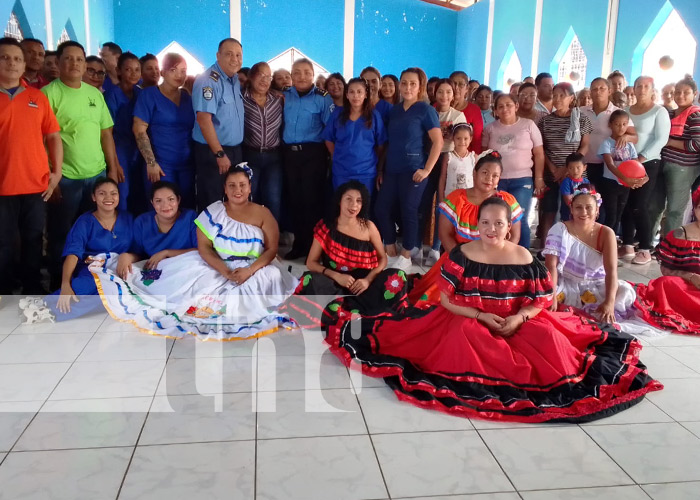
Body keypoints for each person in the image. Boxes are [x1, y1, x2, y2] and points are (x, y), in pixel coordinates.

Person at [325, 196, 661, 422]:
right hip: (467, 318)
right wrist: (480, 315)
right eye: (485, 222)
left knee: (546, 336)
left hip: (517, 321)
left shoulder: (525, 257)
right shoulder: (462, 254)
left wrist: (520, 316)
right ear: (477, 224)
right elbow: (446, 299)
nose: (491, 229)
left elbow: (541, 299)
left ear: (509, 226)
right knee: (464, 333)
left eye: (498, 223)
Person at [90, 164, 298, 340]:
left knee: (271, 276)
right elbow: (205, 248)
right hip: (219, 263)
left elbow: (271, 249)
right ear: (224, 188)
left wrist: (249, 270)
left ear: (249, 186)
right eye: (232, 185)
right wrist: (226, 272)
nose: (238, 190)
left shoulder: (263, 213)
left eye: (242, 185)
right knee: (194, 289)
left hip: (255, 265)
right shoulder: (214, 212)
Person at [42, 40, 121, 290]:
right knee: (62, 234)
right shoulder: (48, 94)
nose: (74, 63)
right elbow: (41, 140)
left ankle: (88, 281)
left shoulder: (94, 94)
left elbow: (106, 133)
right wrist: (51, 176)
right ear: (58, 62)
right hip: (65, 177)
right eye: (68, 58)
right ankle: (60, 283)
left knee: (93, 232)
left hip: (96, 175)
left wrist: (112, 168)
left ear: (85, 64)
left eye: (79, 59)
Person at [282, 181, 409, 328]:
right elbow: (311, 262)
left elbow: (382, 259)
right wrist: (337, 276)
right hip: (334, 284)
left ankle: (344, 310)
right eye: (348, 199)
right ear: (339, 202)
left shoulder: (369, 227)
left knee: (398, 276)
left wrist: (367, 280)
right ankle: (347, 310)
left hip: (364, 286)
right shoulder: (326, 226)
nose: (353, 205)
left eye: (358, 201)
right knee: (309, 279)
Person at [544, 185, 662, 336]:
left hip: (595, 283)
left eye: (589, 207)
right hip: (564, 282)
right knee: (547, 305)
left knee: (625, 292)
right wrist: (552, 295)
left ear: (597, 210)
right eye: (578, 207)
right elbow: (551, 267)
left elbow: (611, 271)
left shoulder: (606, 233)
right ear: (571, 210)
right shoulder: (559, 229)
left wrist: (609, 302)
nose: (584, 212)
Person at [408, 152, 522, 305]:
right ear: (474, 173)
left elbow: (514, 235)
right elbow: (445, 234)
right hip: (459, 260)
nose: (489, 178)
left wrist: (498, 260)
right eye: (485, 173)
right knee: (433, 304)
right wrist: (463, 262)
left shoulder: (507, 200)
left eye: (495, 175)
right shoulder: (457, 199)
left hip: (496, 263)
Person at [0, 37, 62, 295]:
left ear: (24, 64)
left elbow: (53, 136)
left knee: (34, 239)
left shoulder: (37, 97)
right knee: (3, 243)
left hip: (36, 183)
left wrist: (56, 173)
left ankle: (33, 287)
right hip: (3, 185)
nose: (11, 63)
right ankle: (3, 289)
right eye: (4, 57)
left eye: (16, 58)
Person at [375, 67, 443, 271]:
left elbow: (437, 142)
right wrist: (380, 169)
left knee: (409, 211)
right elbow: (387, 143)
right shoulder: (394, 110)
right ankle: (390, 247)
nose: (407, 87)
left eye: (413, 83)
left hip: (414, 170)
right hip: (392, 169)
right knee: (381, 208)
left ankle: (406, 254)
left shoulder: (425, 110)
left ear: (420, 86)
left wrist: (427, 170)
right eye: (404, 82)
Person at [42, 178, 134, 321]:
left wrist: (127, 256)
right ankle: (43, 308)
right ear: (93, 197)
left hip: (120, 269)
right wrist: (65, 284)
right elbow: (73, 253)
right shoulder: (85, 221)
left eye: (113, 193)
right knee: (82, 288)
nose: (109, 198)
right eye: (102, 193)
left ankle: (45, 310)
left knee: (119, 292)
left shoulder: (128, 219)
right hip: (91, 268)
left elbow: (140, 250)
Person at [281, 58, 333, 260]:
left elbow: (330, 130)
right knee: (294, 200)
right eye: (297, 72)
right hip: (289, 154)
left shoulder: (323, 98)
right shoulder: (284, 95)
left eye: (306, 72)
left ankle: (314, 247)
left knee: (312, 202)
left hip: (314, 153)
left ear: (313, 75)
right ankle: (299, 244)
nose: (301, 76)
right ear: (291, 75)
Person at [634, 178, 700, 334]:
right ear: (695, 209)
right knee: (666, 283)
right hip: (684, 286)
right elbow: (666, 269)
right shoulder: (679, 234)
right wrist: (691, 277)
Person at [133, 52, 196, 209]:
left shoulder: (187, 98)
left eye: (183, 71)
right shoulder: (149, 95)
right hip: (160, 165)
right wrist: (151, 162)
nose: (179, 75)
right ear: (163, 72)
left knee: (185, 208)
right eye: (173, 70)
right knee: (162, 209)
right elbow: (139, 130)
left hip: (186, 164)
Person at [482, 92, 545, 248]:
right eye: (500, 106)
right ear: (495, 110)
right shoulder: (490, 128)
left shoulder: (529, 125)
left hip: (522, 179)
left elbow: (539, 154)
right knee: (497, 218)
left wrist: (539, 179)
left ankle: (523, 256)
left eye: (509, 105)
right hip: (496, 181)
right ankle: (499, 252)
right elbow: (484, 157)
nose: (505, 109)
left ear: (516, 106)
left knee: (519, 218)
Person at [622, 76, 671, 264]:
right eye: (638, 86)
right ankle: (626, 244)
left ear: (652, 90)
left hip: (648, 163)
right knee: (625, 204)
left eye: (646, 86)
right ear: (633, 89)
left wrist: (641, 158)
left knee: (639, 205)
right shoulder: (626, 111)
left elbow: (661, 139)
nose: (642, 89)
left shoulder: (659, 112)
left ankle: (645, 247)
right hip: (626, 164)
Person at [538, 82, 593, 251]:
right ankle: (546, 248)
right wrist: (554, 168)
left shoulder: (581, 119)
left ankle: (573, 247)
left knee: (573, 211)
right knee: (549, 210)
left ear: (571, 98)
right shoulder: (545, 121)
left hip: (574, 174)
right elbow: (542, 148)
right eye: (555, 95)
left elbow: (584, 146)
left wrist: (568, 169)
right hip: (552, 173)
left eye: (562, 95)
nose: (558, 99)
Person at [192, 38, 245, 211]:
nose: (234, 59)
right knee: (213, 201)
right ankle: (209, 239)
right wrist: (219, 153)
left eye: (238, 55)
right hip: (214, 152)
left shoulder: (234, 80)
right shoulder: (209, 81)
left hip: (234, 151)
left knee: (230, 201)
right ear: (218, 55)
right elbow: (204, 119)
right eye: (229, 54)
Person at [420, 78, 467, 264]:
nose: (444, 96)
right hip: (428, 159)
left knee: (443, 204)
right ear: (435, 93)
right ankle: (416, 245)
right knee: (423, 203)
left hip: (449, 161)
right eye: (440, 92)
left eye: (448, 92)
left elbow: (459, 140)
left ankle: (435, 248)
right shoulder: (428, 111)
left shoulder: (458, 116)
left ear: (453, 94)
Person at [116, 180, 197, 276]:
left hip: (188, 270)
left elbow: (202, 250)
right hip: (158, 274)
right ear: (152, 202)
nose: (165, 205)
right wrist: (125, 256)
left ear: (178, 200)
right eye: (158, 201)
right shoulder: (142, 222)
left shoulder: (190, 217)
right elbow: (138, 254)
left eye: (171, 199)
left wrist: (167, 253)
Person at [323, 78, 386, 194]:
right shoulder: (338, 114)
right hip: (341, 171)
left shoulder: (374, 116)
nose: (355, 96)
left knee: (363, 206)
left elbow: (381, 144)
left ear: (365, 94)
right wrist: (336, 155)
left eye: (359, 92)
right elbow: (328, 138)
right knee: (342, 205)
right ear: (346, 94)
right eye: (351, 92)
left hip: (366, 173)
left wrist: (370, 161)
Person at [241, 61, 284, 221]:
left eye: (269, 77)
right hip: (250, 155)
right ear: (251, 77)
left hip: (274, 157)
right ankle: (252, 238)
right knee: (251, 197)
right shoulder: (241, 98)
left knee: (273, 199)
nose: (265, 80)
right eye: (261, 75)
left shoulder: (278, 99)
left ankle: (272, 239)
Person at [104, 52, 143, 212]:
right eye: (128, 69)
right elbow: (107, 132)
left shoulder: (140, 93)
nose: (133, 73)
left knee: (139, 192)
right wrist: (115, 164)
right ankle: (122, 231)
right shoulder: (112, 95)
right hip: (119, 147)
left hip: (137, 148)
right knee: (122, 191)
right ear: (119, 71)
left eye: (137, 69)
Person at [660, 76, 700, 233]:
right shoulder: (669, 114)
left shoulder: (695, 115)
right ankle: (655, 244)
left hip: (683, 168)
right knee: (657, 206)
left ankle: (671, 246)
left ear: (694, 94)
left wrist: (669, 142)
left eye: (686, 92)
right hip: (663, 163)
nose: (681, 95)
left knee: (675, 209)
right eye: (677, 92)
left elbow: (697, 144)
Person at [598, 110, 642, 233]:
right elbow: (610, 165)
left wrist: (644, 177)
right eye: (617, 124)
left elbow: (636, 163)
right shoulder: (606, 143)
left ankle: (613, 241)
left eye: (624, 124)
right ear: (610, 125)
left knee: (618, 215)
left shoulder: (629, 145)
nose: (621, 127)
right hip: (610, 184)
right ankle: (605, 242)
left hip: (625, 186)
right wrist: (624, 178)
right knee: (610, 216)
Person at [438, 123, 476, 203]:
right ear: (453, 138)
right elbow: (442, 178)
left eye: (466, 138)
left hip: (468, 200)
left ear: (471, 139)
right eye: (458, 138)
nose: (462, 142)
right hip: (450, 199)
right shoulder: (448, 157)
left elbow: (477, 179)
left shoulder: (473, 157)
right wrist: (441, 199)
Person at [449, 71, 483, 153]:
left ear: (467, 88)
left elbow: (476, 140)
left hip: (465, 159)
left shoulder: (474, 110)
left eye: (461, 84)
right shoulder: (437, 106)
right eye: (454, 83)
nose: (456, 87)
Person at [559, 152, 587, 221]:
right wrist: (577, 212)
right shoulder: (566, 182)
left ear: (584, 167)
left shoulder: (586, 182)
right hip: (569, 214)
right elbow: (568, 200)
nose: (575, 171)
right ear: (567, 168)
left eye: (578, 167)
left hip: (583, 214)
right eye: (571, 168)